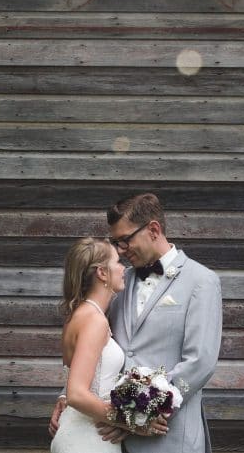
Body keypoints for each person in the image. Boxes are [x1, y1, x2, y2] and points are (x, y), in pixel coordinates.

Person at [51, 193, 223, 453]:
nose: (121, 250)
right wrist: (67, 395)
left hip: (169, 437)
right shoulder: (119, 282)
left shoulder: (202, 281)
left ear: (153, 229)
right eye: (115, 243)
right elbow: (93, 349)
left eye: (125, 240)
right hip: (112, 439)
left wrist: (139, 413)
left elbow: (200, 362)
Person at [50, 237, 168, 453]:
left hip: (81, 432)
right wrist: (134, 422)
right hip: (87, 440)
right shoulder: (94, 320)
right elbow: (76, 394)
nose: (124, 268)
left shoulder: (80, 315)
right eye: (117, 262)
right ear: (102, 273)